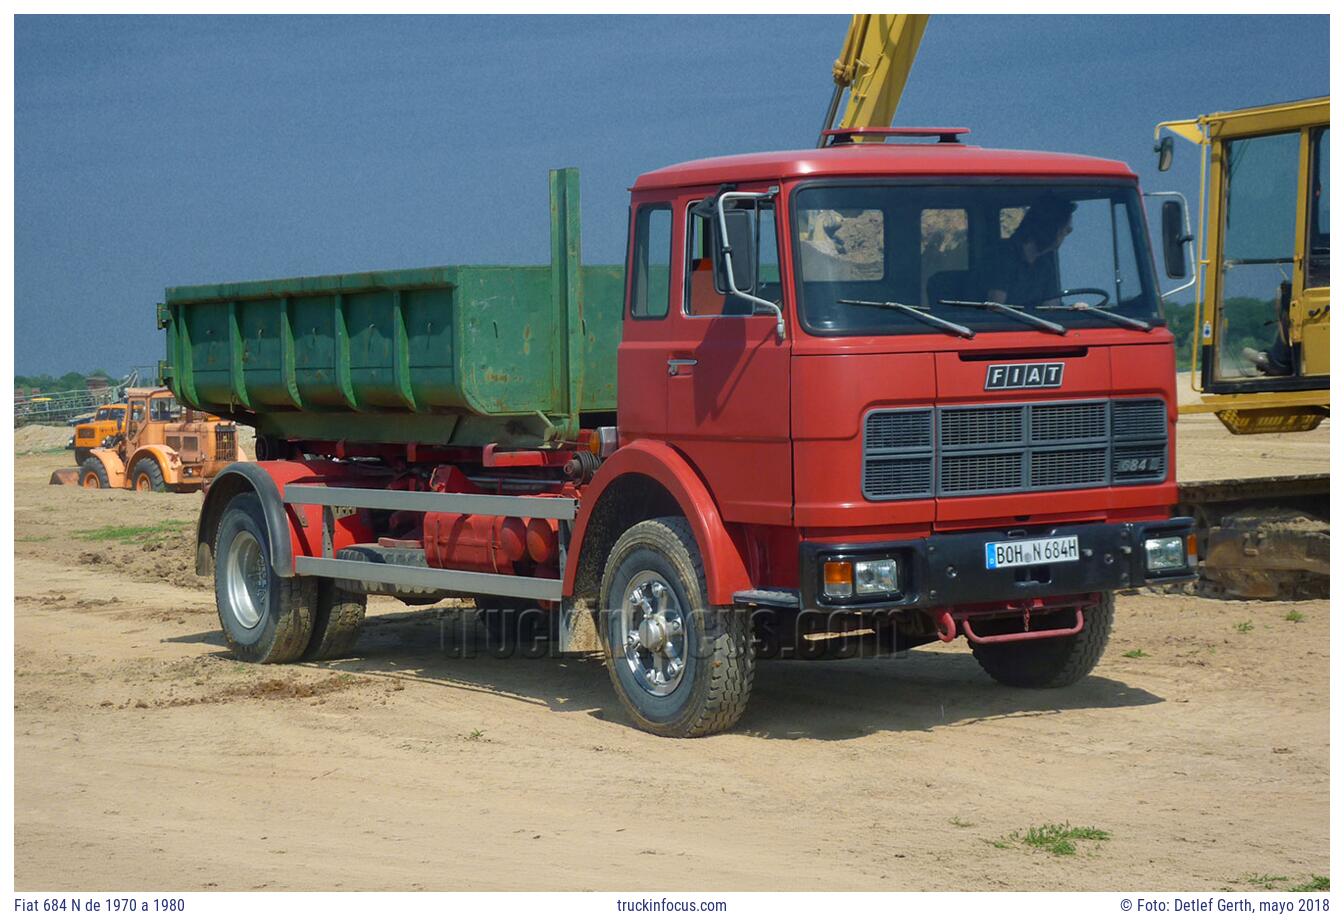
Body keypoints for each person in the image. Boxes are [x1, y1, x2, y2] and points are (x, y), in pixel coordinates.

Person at [986, 196, 1077, 306]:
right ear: (1051, 227)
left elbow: (1051, 307)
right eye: (1067, 229)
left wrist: (1073, 310)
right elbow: (995, 309)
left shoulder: (1045, 263)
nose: (1067, 234)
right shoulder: (1003, 257)